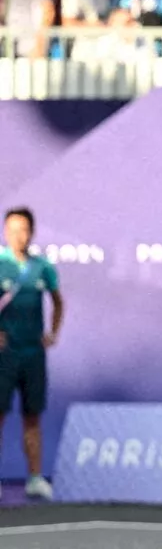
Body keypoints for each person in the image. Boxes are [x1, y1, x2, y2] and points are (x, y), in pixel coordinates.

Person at [0, 207, 63, 500]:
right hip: (4, 355)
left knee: (32, 417)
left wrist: (52, 333)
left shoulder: (43, 267)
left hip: (33, 354)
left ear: (32, 232)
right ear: (4, 232)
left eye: (23, 230)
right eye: (12, 230)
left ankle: (35, 478)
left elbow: (58, 301)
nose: (17, 236)